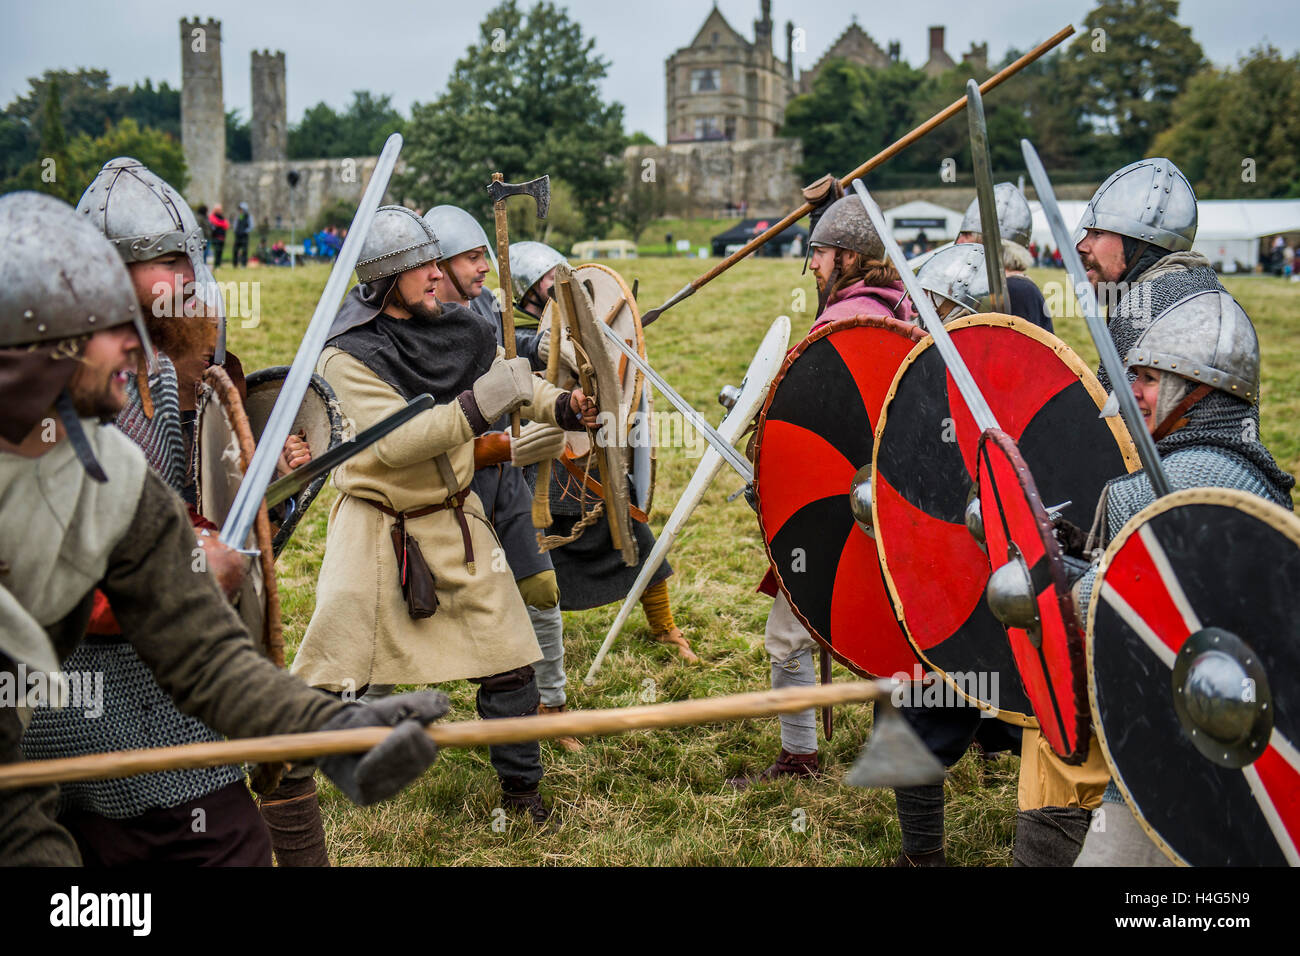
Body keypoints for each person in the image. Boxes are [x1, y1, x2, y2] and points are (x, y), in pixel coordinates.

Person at [0, 191, 448, 866]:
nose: (136, 341)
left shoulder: (115, 475)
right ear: (36, 349)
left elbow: (199, 652)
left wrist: (328, 727)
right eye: (108, 325)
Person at [292, 207, 598, 824]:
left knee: (511, 663)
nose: (438, 275)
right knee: (334, 668)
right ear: (385, 280)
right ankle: (285, 777)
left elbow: (508, 380)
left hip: (456, 523)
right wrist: (482, 407)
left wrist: (563, 405)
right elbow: (396, 442)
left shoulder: (456, 328)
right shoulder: (344, 356)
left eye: (436, 260)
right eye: (421, 265)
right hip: (376, 529)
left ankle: (522, 795)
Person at [1068, 289, 1292, 865]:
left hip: (1179, 740)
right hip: (1232, 733)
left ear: (1199, 392)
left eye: (1148, 378)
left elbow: (1110, 607)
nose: (1131, 392)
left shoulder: (1165, 487)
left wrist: (1060, 582)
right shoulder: (1250, 477)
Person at [728, 194, 913, 790]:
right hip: (903, 513)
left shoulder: (839, 326)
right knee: (899, 628)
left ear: (850, 258)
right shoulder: (910, 313)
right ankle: (918, 749)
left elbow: (809, 428)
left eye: (820, 254)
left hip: (840, 513)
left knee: (789, 632)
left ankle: (800, 758)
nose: (812, 266)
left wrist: (772, 473)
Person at [421, 207, 581, 753]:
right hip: (439, 495)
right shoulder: (410, 327)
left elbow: (508, 360)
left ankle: (551, 707)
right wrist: (495, 448)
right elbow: (424, 430)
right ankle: (368, 723)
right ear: (436, 266)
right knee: (399, 610)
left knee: (541, 589)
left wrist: (558, 371)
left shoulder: (485, 305)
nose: (485, 268)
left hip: (501, 487)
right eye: (472, 258)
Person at [510, 240, 699, 663]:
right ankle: (529, 644)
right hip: (552, 457)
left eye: (542, 282)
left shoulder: (591, 306)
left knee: (633, 531)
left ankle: (665, 627)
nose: (541, 293)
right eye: (530, 295)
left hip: (599, 448)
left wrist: (613, 343)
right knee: (533, 552)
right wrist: (544, 345)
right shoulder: (522, 333)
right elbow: (517, 349)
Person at [1075, 158, 1221, 398]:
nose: (1082, 245)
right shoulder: (1205, 291)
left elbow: (1119, 425)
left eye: (1098, 233)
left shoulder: (1145, 307)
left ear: (1137, 244)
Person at [955, 182, 1053, 333]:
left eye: (967, 235)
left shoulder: (1018, 290)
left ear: (989, 244)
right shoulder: (987, 285)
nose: (960, 242)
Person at [232, 201, 254, 268]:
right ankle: (235, 264)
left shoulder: (248, 217)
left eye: (241, 209)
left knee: (244, 250)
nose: (240, 210)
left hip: (244, 236)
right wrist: (236, 231)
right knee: (235, 250)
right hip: (238, 236)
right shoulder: (238, 216)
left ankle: (243, 264)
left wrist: (245, 231)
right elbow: (235, 225)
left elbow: (251, 226)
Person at [208, 204, 229, 268]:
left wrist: (220, 224)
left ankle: (218, 265)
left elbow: (227, 225)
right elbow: (215, 222)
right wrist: (221, 224)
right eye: (218, 209)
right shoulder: (212, 216)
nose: (219, 211)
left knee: (220, 252)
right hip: (215, 237)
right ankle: (216, 265)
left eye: (220, 209)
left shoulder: (222, 217)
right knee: (216, 252)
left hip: (222, 237)